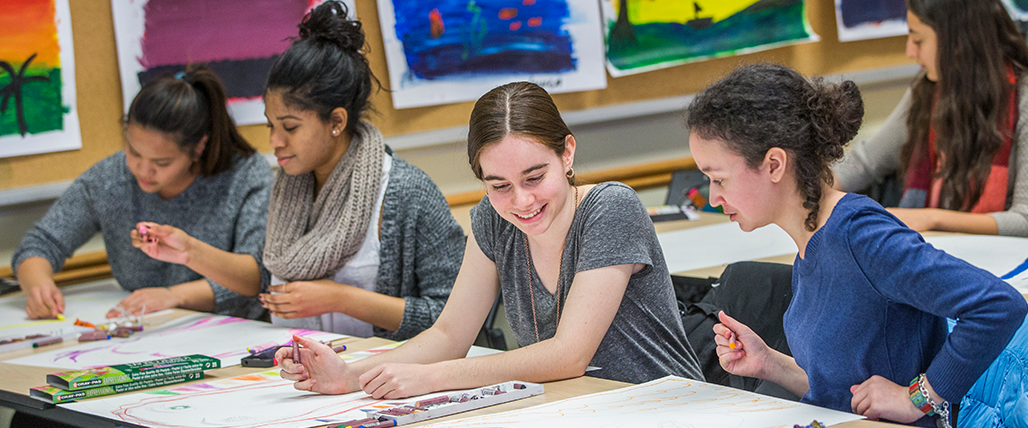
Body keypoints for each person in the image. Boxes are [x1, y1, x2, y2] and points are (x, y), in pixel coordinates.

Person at [273, 81, 704, 399]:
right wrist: (350, 376)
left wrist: (437, 377)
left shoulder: (611, 208)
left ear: (567, 153)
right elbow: (448, 335)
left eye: (534, 177)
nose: (521, 201)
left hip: (667, 408)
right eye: (498, 185)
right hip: (578, 407)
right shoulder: (492, 221)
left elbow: (569, 354)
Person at [688, 63, 1027, 427]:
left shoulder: (862, 237)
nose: (712, 197)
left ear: (774, 165)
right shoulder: (811, 241)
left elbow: (998, 305)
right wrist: (769, 362)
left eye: (719, 179)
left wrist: (917, 397)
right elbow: (845, 390)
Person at [257, 1, 464, 340]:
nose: (274, 141)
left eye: (290, 127)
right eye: (270, 126)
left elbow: (453, 317)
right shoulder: (282, 189)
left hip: (387, 378)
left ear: (336, 121)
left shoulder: (405, 191)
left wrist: (341, 299)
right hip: (296, 375)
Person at [13, 66, 272, 320]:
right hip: (145, 332)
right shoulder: (112, 177)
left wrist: (174, 295)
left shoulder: (246, 176)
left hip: (235, 331)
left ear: (198, 147)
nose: (143, 170)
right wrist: (38, 286)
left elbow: (255, 277)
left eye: (162, 163)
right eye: (134, 152)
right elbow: (41, 243)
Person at [834, 0, 1028, 237]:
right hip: (940, 252)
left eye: (918, 40)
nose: (910, 52)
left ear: (958, 41)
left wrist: (931, 218)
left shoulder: (1023, 98)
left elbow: (1024, 220)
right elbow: (866, 162)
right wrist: (806, 188)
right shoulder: (928, 91)